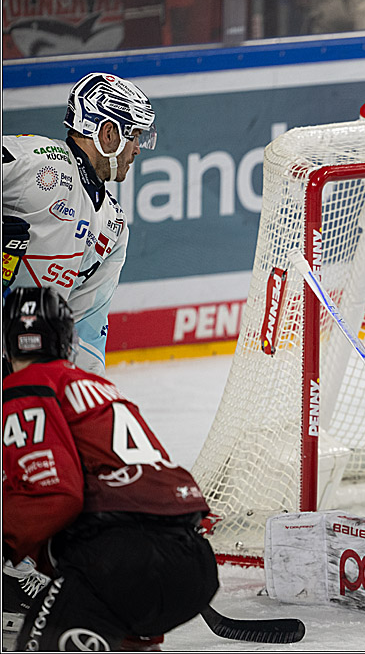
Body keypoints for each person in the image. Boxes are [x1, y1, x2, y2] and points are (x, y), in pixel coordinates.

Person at [2, 287, 218, 652]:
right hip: (193, 563)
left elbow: (55, 495)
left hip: (120, 562)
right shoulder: (103, 389)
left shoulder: (26, 386)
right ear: (66, 341)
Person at [2, 71, 157, 375]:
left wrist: (89, 395)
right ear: (108, 133)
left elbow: (86, 331)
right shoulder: (39, 162)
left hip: (20, 367)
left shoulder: (113, 227)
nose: (138, 148)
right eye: (134, 135)